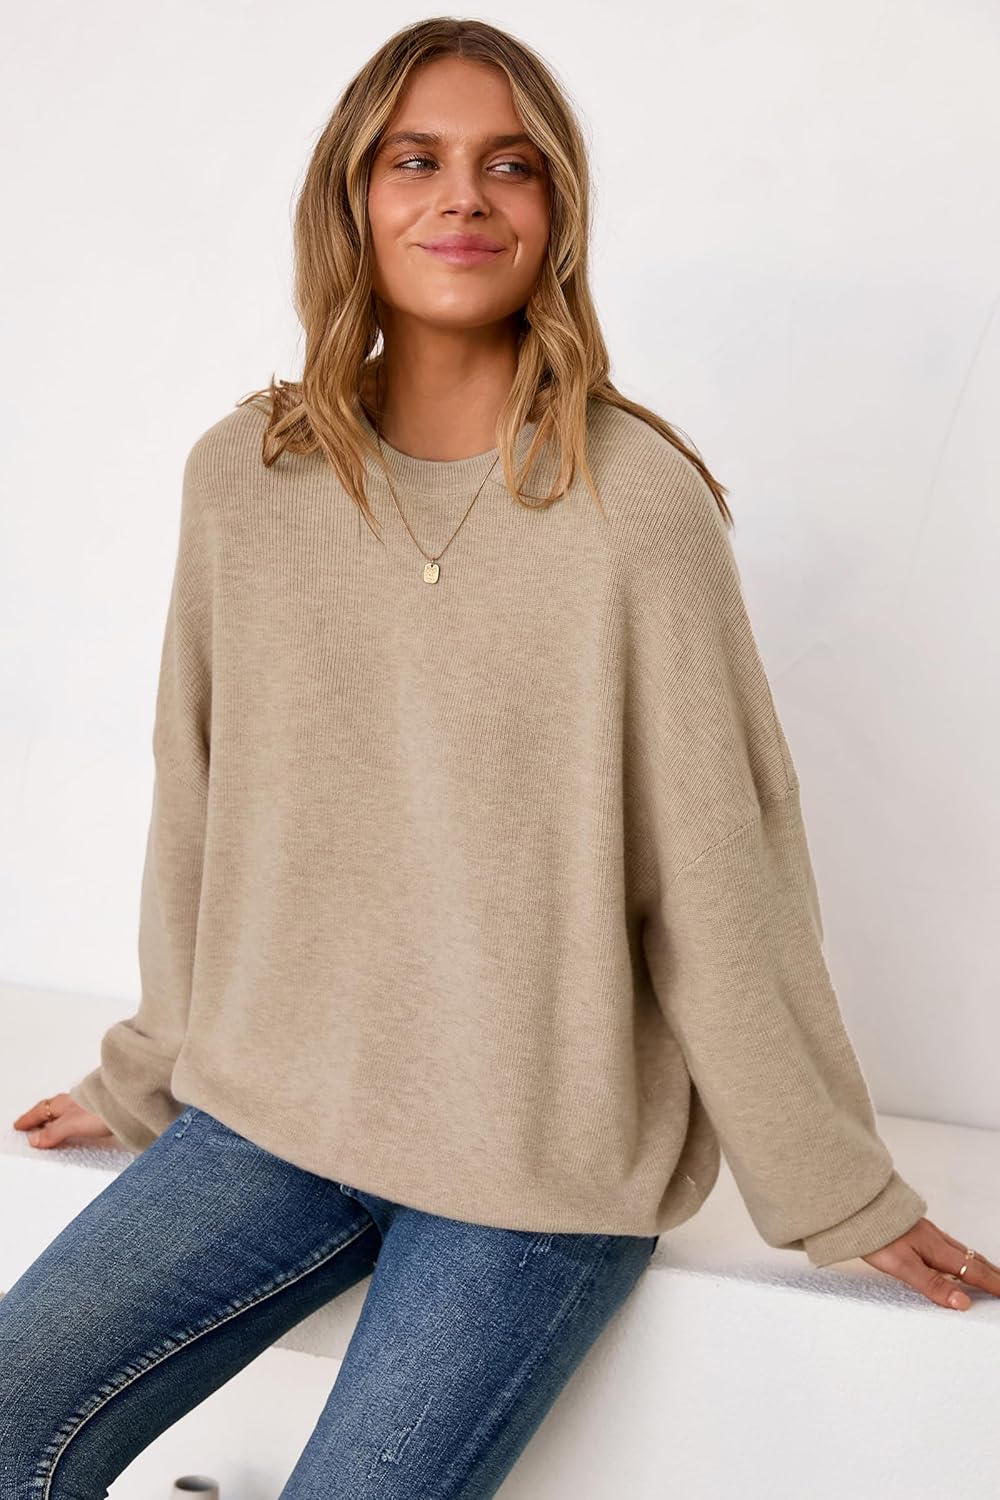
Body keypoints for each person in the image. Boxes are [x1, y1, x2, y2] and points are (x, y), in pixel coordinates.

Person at [3, 15, 997, 1498]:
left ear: (557, 212)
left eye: (510, 164)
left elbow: (723, 878)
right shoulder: (246, 478)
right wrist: (147, 1070)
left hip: (537, 1169)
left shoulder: (636, 506)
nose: (463, 196)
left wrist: (838, 1189)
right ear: (352, 199)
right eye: (416, 160)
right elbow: (198, 794)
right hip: (273, 1112)